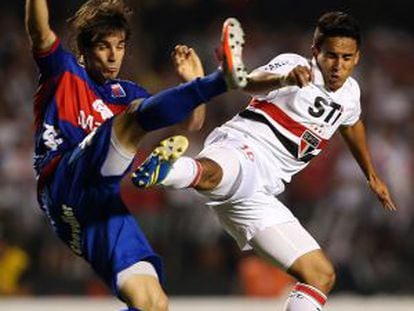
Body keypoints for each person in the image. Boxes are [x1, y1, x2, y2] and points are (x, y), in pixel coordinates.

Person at [132, 11, 397, 311]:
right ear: (315, 52)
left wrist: (371, 175)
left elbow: (352, 123)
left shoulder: (351, 93)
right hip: (241, 146)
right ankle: (165, 170)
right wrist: (284, 79)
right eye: (331, 56)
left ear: (357, 57)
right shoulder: (294, 65)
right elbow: (248, 82)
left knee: (320, 275)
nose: (338, 66)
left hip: (263, 193)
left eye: (346, 58)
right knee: (218, 174)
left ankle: (173, 170)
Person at [25, 0, 247, 309]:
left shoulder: (126, 92)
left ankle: (209, 83)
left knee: (152, 302)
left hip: (99, 204)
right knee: (129, 120)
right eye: (104, 46)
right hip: (64, 178)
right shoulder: (64, 71)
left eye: (120, 46)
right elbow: (39, 31)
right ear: (85, 50)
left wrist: (190, 84)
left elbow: (191, 124)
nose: (114, 55)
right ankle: (221, 79)